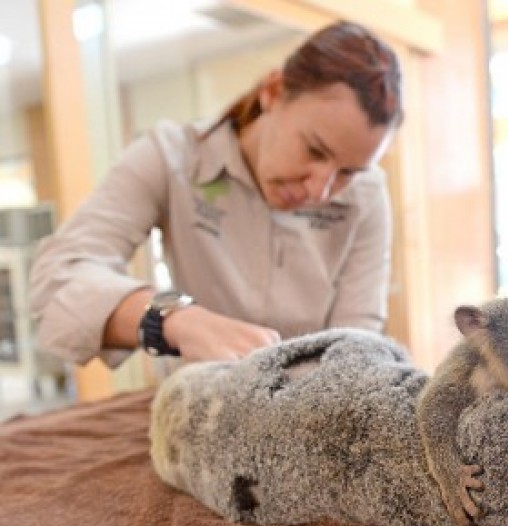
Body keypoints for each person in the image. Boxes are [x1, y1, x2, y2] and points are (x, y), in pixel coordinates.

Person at [28, 20, 403, 369]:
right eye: (314, 150)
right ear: (273, 91)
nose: (319, 191)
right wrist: (176, 320)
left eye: (348, 172)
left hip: (309, 418)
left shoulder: (366, 197)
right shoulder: (171, 157)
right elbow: (58, 280)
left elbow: (356, 343)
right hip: (200, 413)